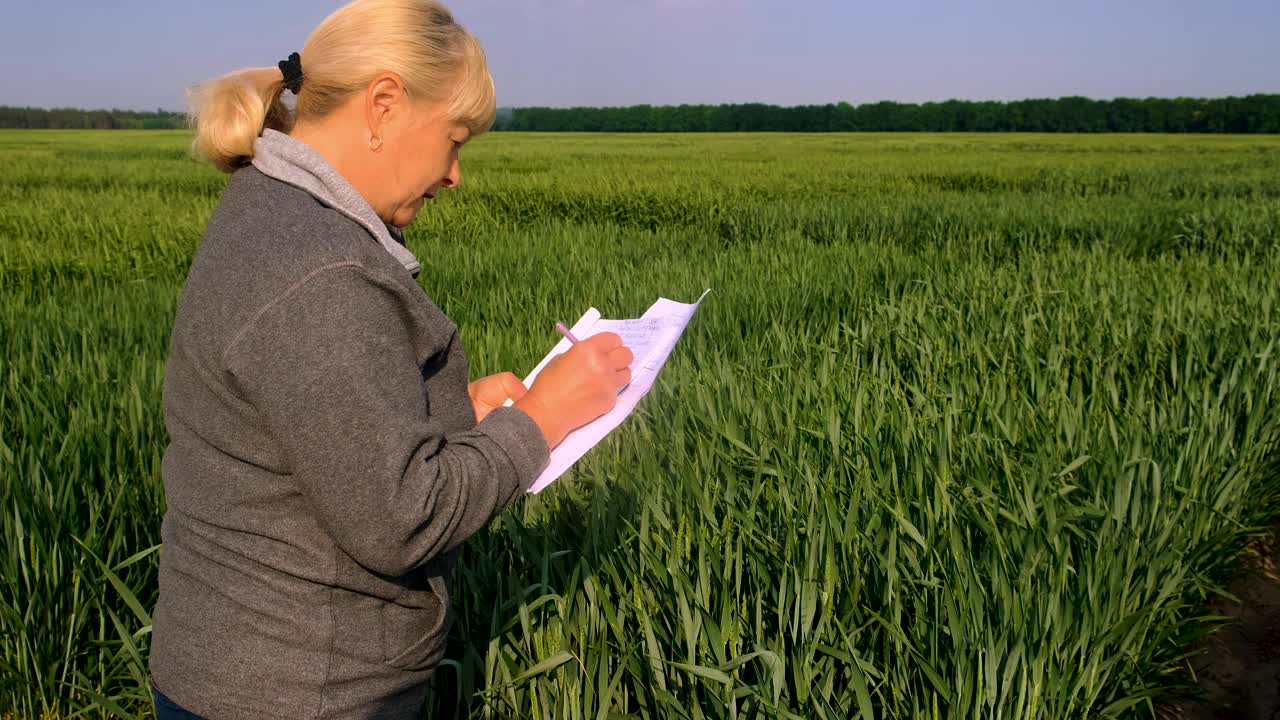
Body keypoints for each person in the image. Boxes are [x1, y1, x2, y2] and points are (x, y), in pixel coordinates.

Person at [148, 1, 633, 717]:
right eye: (455, 140)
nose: (455, 175)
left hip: (236, 671)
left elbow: (311, 440)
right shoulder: (321, 275)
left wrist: (460, 415)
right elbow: (401, 519)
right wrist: (544, 415)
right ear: (382, 106)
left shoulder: (267, 210)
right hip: (301, 692)